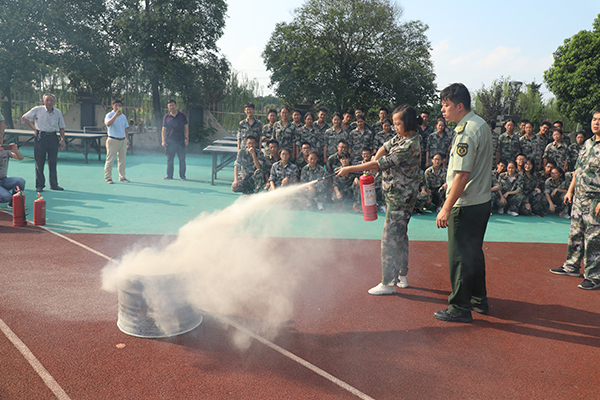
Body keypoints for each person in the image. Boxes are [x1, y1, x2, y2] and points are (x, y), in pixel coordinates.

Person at [337, 104, 421, 295]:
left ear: (408, 123)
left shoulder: (409, 145)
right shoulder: (402, 137)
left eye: (398, 124)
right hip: (396, 195)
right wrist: (372, 162)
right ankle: (401, 275)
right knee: (400, 235)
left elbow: (379, 163)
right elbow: (384, 148)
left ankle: (388, 283)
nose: (395, 127)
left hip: (401, 198)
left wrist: (349, 169)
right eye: (394, 124)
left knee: (389, 238)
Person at [435, 83, 493, 323]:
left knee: (460, 256)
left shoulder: (466, 131)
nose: (442, 110)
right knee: (473, 253)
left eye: (446, 105)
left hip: (467, 203)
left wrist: (446, 207)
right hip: (481, 200)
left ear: (460, 106)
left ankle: (460, 307)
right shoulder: (480, 124)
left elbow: (462, 174)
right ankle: (478, 299)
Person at [552, 108, 600, 289]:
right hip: (579, 198)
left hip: (595, 200)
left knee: (593, 238)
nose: (596, 123)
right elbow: (578, 169)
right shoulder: (587, 143)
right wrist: (570, 191)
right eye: (594, 119)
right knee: (575, 234)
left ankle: (594, 276)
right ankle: (571, 266)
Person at [21, 93, 66, 191]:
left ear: (54, 102)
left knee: (53, 161)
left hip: (53, 137)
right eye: (47, 100)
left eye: (51, 100)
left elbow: (61, 127)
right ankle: (39, 185)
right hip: (41, 137)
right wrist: (34, 129)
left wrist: (63, 139)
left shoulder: (57, 112)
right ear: (43, 101)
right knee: (39, 161)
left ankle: (54, 184)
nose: (49, 102)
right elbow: (24, 117)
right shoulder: (37, 110)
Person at [104, 99, 130, 184]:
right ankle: (108, 177)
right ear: (112, 106)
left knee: (122, 160)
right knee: (110, 160)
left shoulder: (123, 117)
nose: (118, 107)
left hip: (122, 140)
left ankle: (122, 176)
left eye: (119, 105)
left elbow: (125, 128)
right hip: (113, 140)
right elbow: (108, 124)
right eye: (116, 105)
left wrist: (127, 139)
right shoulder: (109, 115)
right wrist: (115, 115)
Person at [161, 99, 189, 181]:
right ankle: (169, 175)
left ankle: (182, 176)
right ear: (168, 107)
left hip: (180, 141)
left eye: (173, 105)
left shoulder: (182, 115)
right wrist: (163, 140)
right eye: (170, 105)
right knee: (170, 159)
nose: (171, 107)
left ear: (176, 106)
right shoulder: (166, 117)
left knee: (182, 159)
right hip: (170, 141)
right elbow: (164, 129)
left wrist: (186, 138)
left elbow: (186, 127)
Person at [0, 143, 25, 208]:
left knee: (20, 181)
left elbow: (20, 158)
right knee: (6, 197)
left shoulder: (5, 151)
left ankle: (13, 203)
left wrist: (16, 151)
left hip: (3, 179)